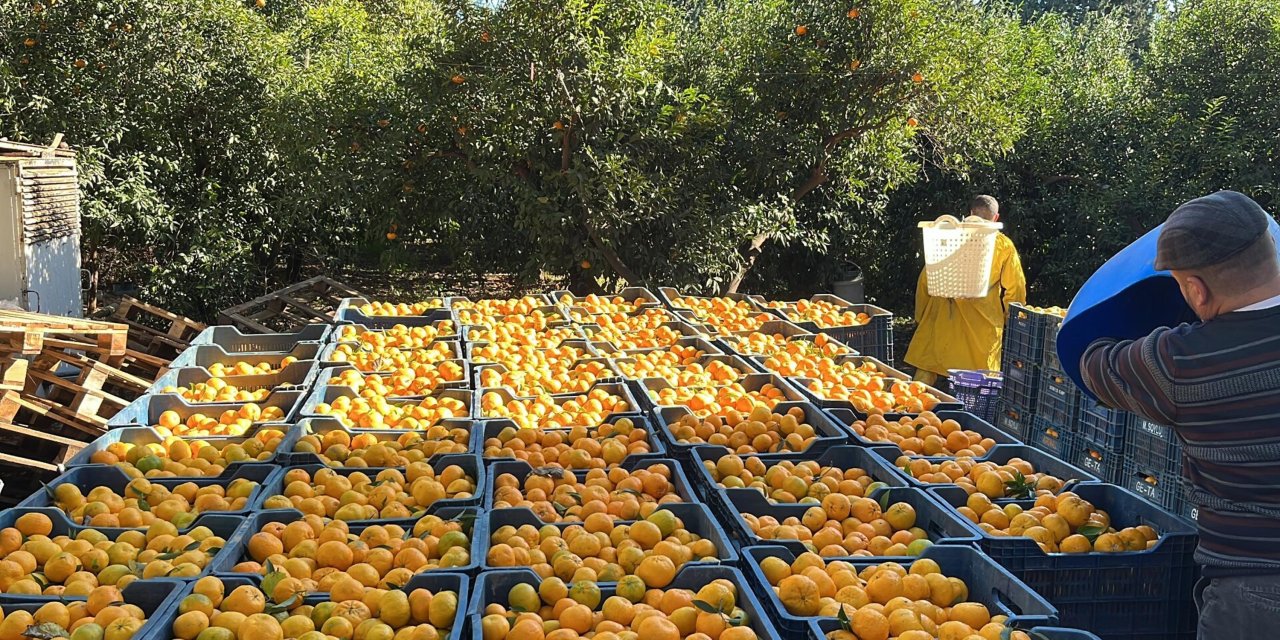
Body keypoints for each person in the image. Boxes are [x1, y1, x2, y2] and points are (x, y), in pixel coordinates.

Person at [1078, 190, 1280, 639]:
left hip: (1254, 595)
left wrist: (1163, 321)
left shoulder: (1179, 362)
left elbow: (1093, 362)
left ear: (1195, 290)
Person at [905, 195, 1027, 387]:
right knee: (981, 379)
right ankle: (973, 413)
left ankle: (913, 410)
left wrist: (922, 317)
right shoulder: (1003, 245)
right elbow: (1015, 287)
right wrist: (1009, 319)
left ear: (970, 213)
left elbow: (925, 281)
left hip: (943, 315)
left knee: (927, 371)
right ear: (996, 219)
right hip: (981, 322)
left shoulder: (947, 236)